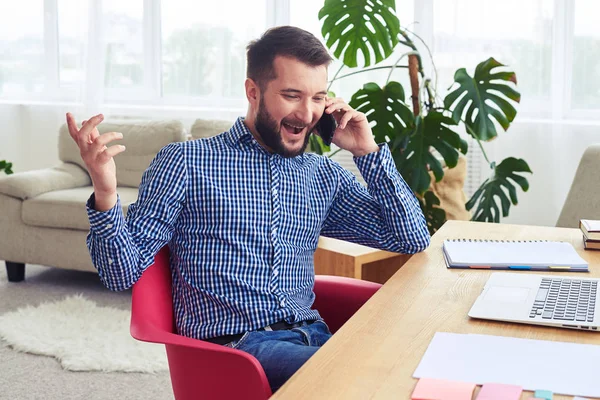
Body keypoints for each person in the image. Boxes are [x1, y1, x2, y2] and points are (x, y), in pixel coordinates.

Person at [66, 25, 430, 393]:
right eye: (292, 95)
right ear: (253, 91)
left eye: (318, 97)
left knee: (415, 364)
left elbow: (411, 237)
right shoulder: (187, 162)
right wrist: (106, 193)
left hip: (315, 335)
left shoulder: (323, 175)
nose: (306, 114)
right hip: (239, 350)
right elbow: (120, 274)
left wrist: (367, 154)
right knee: (372, 381)